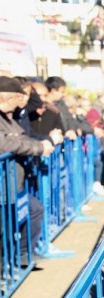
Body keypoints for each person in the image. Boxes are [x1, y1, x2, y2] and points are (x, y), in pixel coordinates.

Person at [0, 76, 54, 263]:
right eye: (17, 99)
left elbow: (23, 138)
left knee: (32, 211)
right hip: (4, 184)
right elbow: (6, 143)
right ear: (6, 97)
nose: (19, 105)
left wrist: (42, 144)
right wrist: (40, 148)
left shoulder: (7, 118)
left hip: (12, 183)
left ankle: (21, 255)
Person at [44, 76, 78, 141]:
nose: (64, 94)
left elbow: (70, 119)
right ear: (53, 91)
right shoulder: (42, 106)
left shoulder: (61, 104)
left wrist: (71, 129)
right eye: (62, 92)